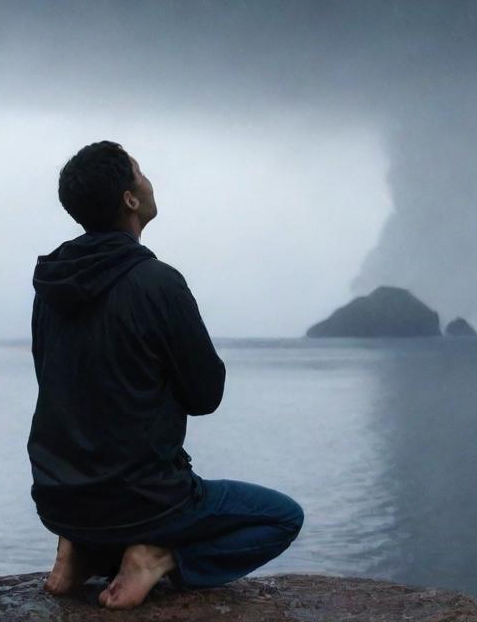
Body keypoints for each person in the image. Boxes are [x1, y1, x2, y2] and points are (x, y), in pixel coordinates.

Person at [27, 140, 304, 609]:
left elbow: (55, 382)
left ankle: (81, 549)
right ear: (131, 199)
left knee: (110, 499)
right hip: (144, 500)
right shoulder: (157, 282)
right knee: (282, 518)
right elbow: (205, 394)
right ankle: (159, 556)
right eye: (140, 172)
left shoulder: (49, 287)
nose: (148, 179)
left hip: (57, 497)